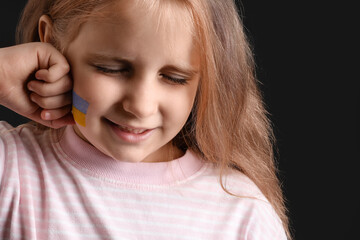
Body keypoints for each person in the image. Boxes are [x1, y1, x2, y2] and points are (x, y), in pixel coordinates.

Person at [0, 0, 291, 239]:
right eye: (111, 68)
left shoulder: (241, 214)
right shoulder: (12, 170)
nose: (140, 106)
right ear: (50, 41)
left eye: (174, 78)